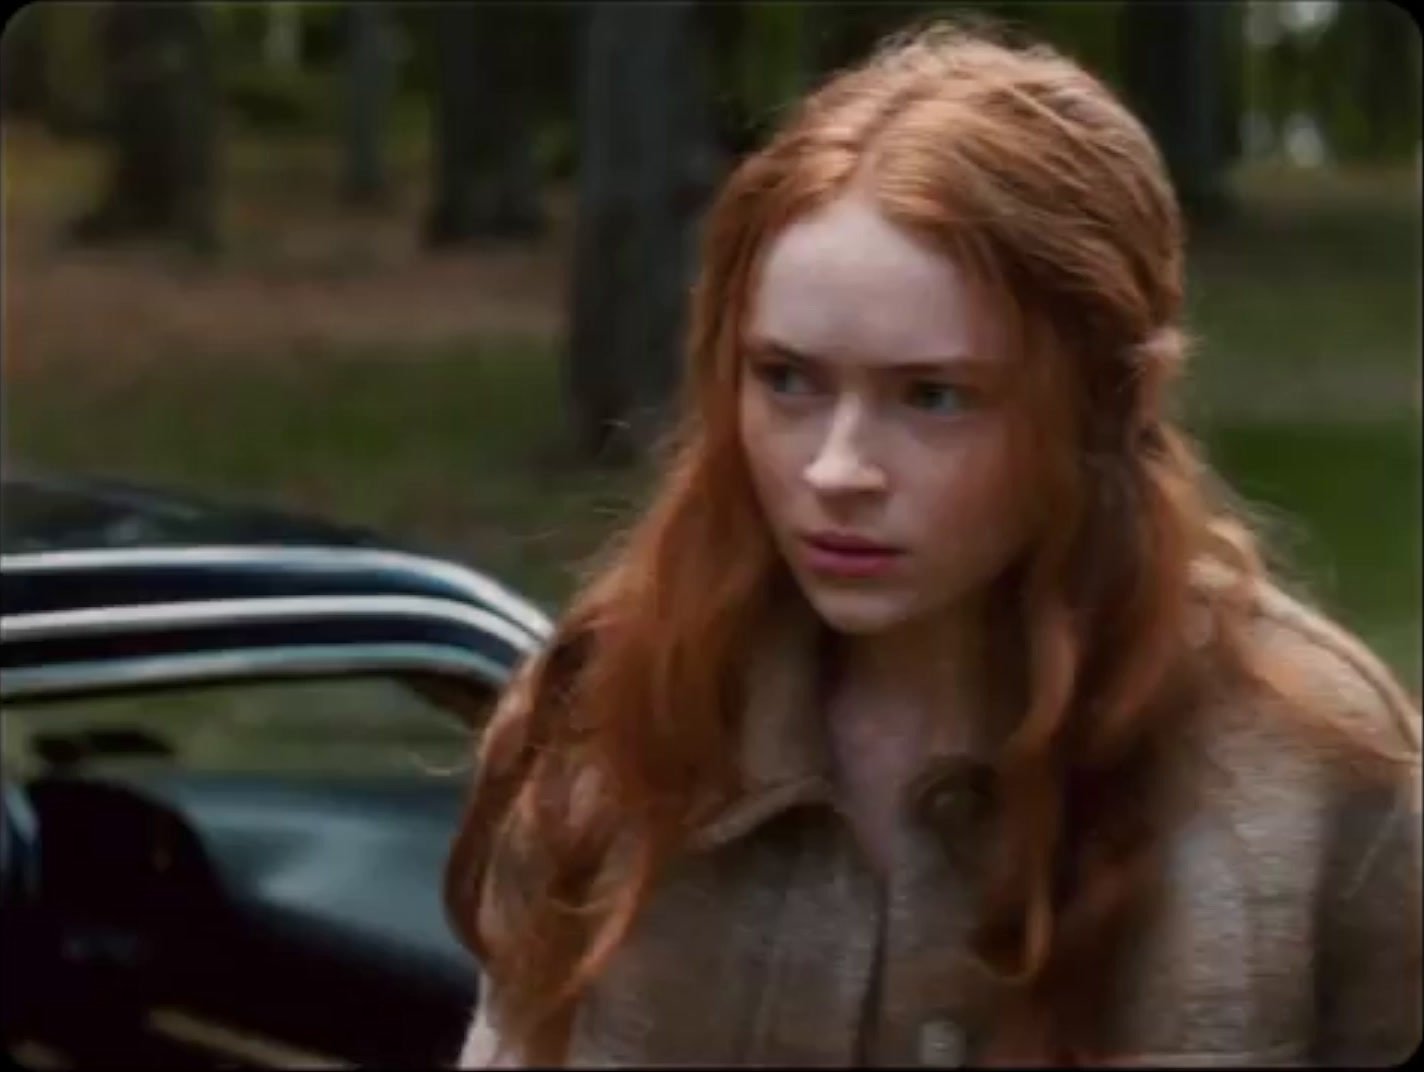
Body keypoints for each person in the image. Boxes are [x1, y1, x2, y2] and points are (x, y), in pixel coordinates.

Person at [445, 20, 1421, 1068]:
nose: (834, 469)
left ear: (1111, 401)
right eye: (786, 378)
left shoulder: (1314, 769)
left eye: (932, 396)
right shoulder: (615, 721)